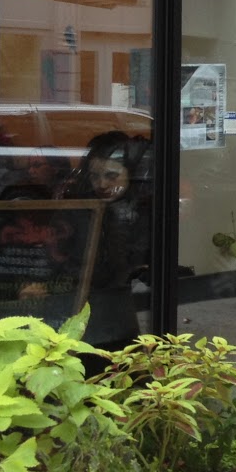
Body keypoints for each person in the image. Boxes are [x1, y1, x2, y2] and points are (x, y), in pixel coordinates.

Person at [58, 130, 151, 346]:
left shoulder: (145, 212)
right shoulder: (79, 212)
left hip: (131, 310)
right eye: (94, 176)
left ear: (131, 173)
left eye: (111, 176)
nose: (101, 184)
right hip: (83, 307)